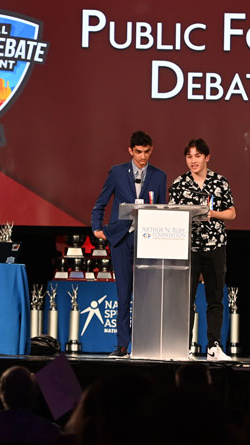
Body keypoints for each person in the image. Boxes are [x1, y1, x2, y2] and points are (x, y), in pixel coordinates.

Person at [91, 131, 167, 358]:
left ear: (151, 150)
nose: (143, 157)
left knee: (146, 294)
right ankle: (122, 345)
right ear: (130, 151)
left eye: (146, 152)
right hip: (121, 239)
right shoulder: (116, 172)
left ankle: (146, 344)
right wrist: (97, 228)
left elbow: (162, 209)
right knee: (123, 294)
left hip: (147, 239)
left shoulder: (159, 176)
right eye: (138, 152)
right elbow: (101, 202)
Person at [168, 138, 235, 361]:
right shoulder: (179, 183)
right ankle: (183, 346)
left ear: (207, 157)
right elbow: (171, 213)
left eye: (197, 156)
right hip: (188, 247)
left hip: (215, 246)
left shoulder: (220, 182)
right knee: (186, 299)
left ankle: (214, 347)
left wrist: (211, 214)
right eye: (189, 156)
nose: (193, 161)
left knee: (215, 298)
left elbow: (232, 213)